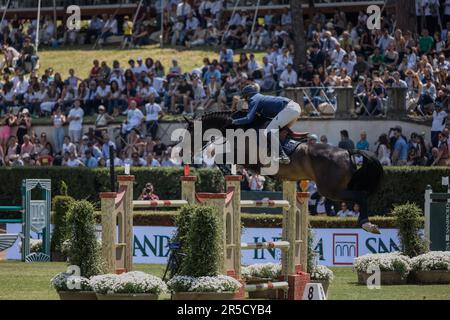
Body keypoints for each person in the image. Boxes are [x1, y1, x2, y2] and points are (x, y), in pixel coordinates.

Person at [231, 85, 301, 164]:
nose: (245, 100)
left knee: (269, 131)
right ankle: (286, 152)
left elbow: (248, 119)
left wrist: (233, 121)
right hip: (293, 108)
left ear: (247, 96)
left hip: (289, 109)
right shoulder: (259, 97)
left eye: (245, 98)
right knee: (279, 132)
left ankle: (282, 155)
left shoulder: (253, 99)